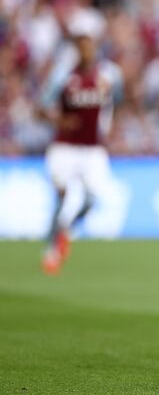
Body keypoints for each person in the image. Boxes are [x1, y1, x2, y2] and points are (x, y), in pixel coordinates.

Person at [39, 34, 121, 275]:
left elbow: (118, 102)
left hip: (93, 148)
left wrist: (111, 127)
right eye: (83, 48)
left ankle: (65, 231)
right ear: (76, 51)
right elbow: (41, 107)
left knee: (91, 200)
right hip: (65, 147)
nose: (87, 52)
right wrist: (60, 119)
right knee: (62, 196)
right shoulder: (63, 76)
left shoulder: (107, 77)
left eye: (91, 47)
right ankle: (51, 249)